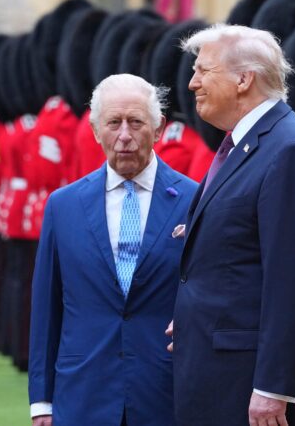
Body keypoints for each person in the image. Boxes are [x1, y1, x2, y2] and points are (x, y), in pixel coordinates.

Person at [170, 24, 295, 425]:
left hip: (253, 383)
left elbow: (293, 279)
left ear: (244, 79)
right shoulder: (245, 146)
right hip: (222, 369)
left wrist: (273, 387)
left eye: (203, 71)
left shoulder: (289, 150)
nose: (193, 83)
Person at [28, 73, 197, 426]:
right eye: (113, 123)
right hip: (84, 393)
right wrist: (41, 401)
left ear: (159, 128)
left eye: (136, 123)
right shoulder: (64, 206)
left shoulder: (195, 200)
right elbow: (47, 307)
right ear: (94, 130)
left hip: (166, 393)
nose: (124, 136)